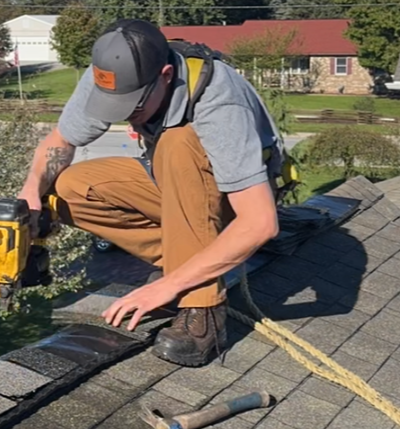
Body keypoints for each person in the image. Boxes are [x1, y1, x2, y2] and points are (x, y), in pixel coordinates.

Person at [18, 19, 283, 367]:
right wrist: (31, 192)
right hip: (174, 183)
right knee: (68, 189)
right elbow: (60, 142)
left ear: (166, 75)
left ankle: (203, 313)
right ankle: (183, 261)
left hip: (237, 200)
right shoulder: (113, 73)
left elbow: (260, 223)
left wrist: (167, 287)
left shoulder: (218, 103)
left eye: (134, 106)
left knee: (177, 142)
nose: (125, 115)